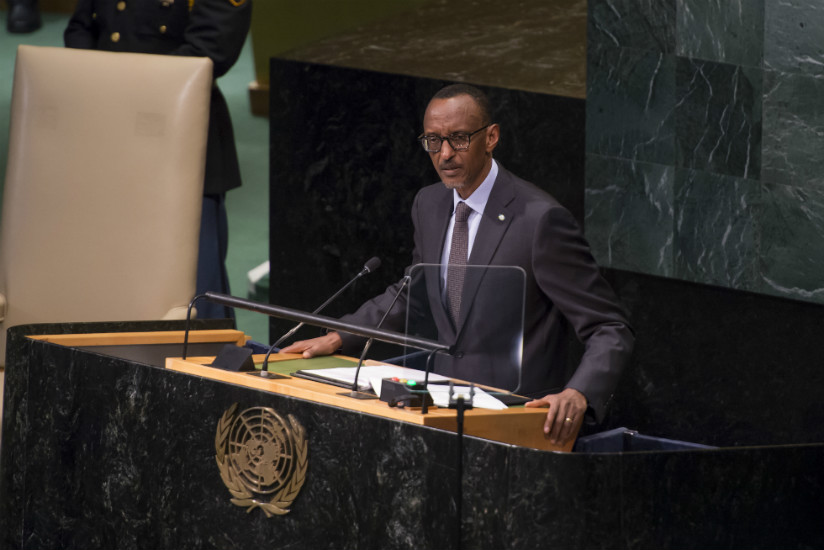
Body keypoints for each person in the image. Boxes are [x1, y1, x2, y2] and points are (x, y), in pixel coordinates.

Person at [281, 84, 635, 444]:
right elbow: (415, 292)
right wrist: (343, 335)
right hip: (443, 414)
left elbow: (609, 326)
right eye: (433, 141)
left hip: (516, 422)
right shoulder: (429, 204)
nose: (445, 154)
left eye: (459, 139)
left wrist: (579, 394)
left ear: (492, 137)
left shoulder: (539, 221)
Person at [64, 0, 252, 319]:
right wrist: (93, 82)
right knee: (105, 273)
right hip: (105, 132)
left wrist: (122, 88)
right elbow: (82, 26)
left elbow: (212, 48)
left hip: (179, 136)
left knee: (192, 295)